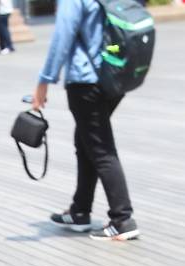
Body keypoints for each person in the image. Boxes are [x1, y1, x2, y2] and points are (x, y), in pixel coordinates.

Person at [32, 0, 139, 241]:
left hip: (86, 82)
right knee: (85, 142)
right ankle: (80, 211)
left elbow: (62, 35)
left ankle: (122, 219)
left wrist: (44, 81)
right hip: (114, 77)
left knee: (100, 148)